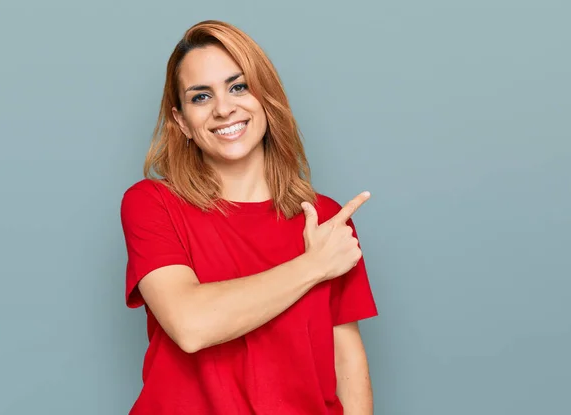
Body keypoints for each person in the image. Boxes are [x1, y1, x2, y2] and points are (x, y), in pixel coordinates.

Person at [120, 20, 378, 415]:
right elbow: (191, 325)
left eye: (238, 86)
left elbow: (347, 361)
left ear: (266, 98)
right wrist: (314, 265)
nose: (224, 108)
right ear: (182, 122)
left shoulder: (324, 217)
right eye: (201, 97)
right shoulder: (152, 204)